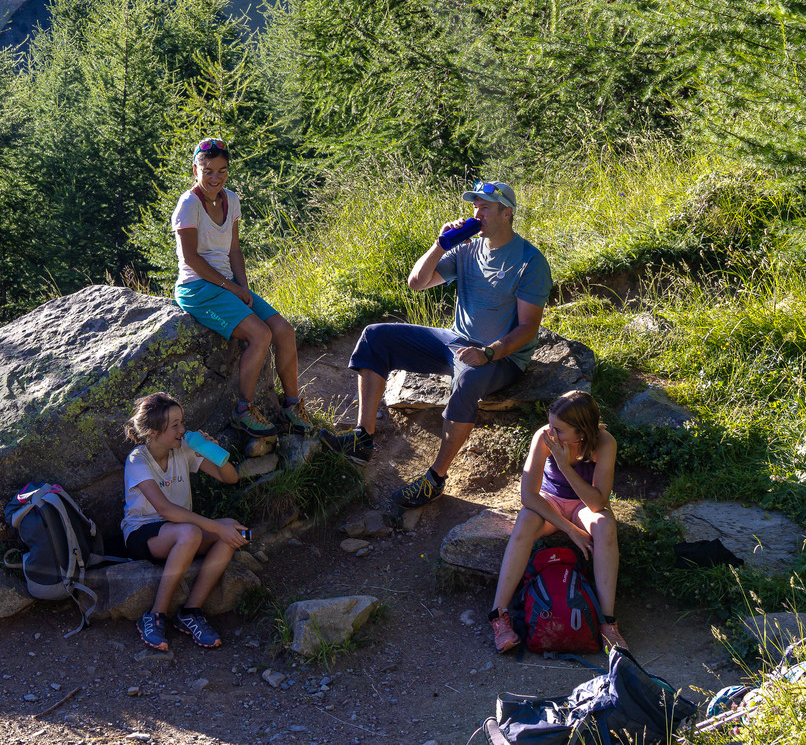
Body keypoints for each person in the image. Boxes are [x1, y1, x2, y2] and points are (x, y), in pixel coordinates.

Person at [320, 181, 552, 518]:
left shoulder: (530, 262)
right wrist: (440, 245)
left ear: (507, 213)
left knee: (469, 379)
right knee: (375, 336)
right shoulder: (466, 249)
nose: (477, 213)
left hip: (501, 358)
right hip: (456, 341)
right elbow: (417, 283)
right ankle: (362, 439)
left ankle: (435, 477)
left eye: (485, 207)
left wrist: (489, 353)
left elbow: (528, 327)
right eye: (475, 206)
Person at [171, 137, 309, 437]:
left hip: (227, 284)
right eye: (207, 170)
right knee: (260, 335)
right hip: (197, 289)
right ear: (195, 169)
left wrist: (243, 288)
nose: (215, 178)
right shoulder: (189, 204)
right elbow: (191, 258)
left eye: (222, 170)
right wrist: (232, 289)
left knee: (284, 331)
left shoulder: (231, 199)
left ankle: (291, 404)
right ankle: (243, 411)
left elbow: (234, 250)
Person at [487, 391, 625, 652]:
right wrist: (570, 530)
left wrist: (565, 466)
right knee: (525, 520)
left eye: (559, 429)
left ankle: (607, 623)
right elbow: (528, 495)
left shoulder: (604, 443)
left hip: (584, 505)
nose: (551, 432)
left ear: (581, 432)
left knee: (605, 525)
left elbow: (598, 503)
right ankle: (499, 616)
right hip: (550, 502)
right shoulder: (543, 436)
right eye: (550, 424)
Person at [121, 392, 247, 651]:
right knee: (192, 532)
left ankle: (190, 612)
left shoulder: (183, 450)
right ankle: (155, 614)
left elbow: (230, 478)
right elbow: (165, 510)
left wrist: (215, 453)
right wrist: (214, 526)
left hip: (183, 531)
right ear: (154, 432)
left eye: (182, 422)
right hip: (143, 533)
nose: (183, 429)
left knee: (233, 529)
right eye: (175, 425)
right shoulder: (137, 460)